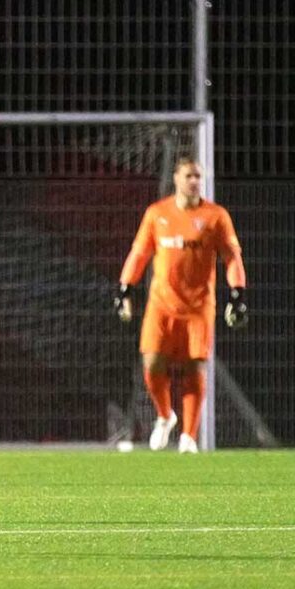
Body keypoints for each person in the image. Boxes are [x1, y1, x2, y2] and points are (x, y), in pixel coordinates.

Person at [115, 158, 247, 453]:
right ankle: (165, 416)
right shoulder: (157, 213)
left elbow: (232, 257)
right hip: (161, 304)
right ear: (176, 178)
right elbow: (139, 254)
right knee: (152, 363)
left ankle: (188, 437)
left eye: (198, 176)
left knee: (194, 367)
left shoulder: (216, 216)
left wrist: (237, 293)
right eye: (189, 176)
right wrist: (125, 289)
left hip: (199, 306)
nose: (194, 181)